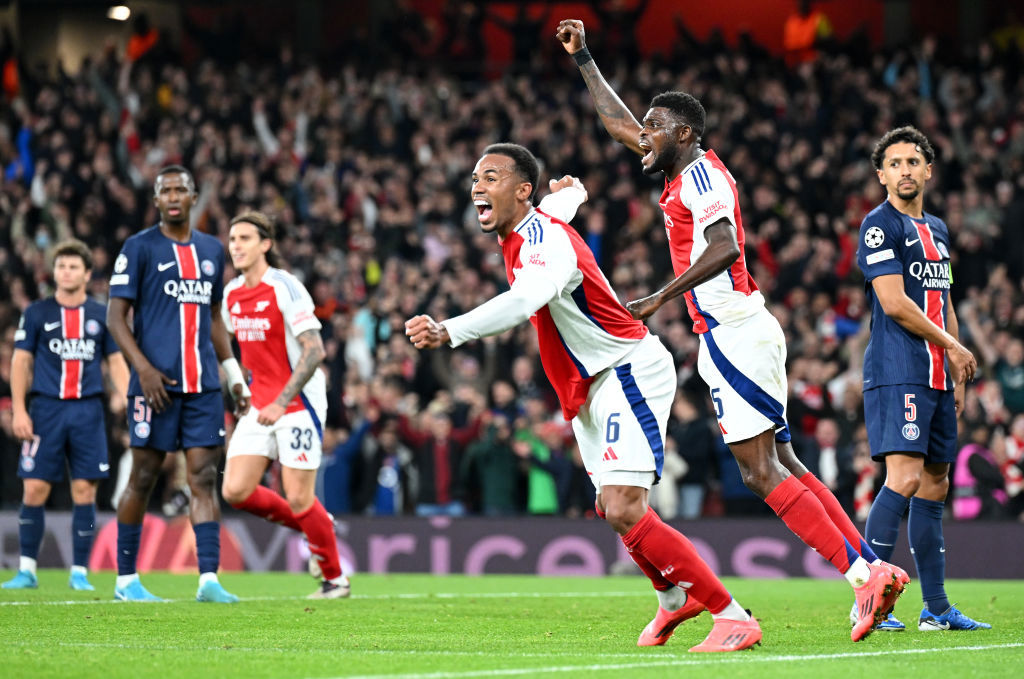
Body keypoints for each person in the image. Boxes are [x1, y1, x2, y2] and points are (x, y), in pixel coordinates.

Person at [556, 19, 906, 642]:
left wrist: (659, 298)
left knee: (757, 471)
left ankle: (861, 575)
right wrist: (585, 60)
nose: (644, 137)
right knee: (785, 461)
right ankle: (872, 569)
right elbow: (619, 126)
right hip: (741, 330)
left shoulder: (703, 177)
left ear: (686, 133)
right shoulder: (679, 168)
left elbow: (723, 245)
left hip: (733, 331)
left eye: (657, 128)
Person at [406, 143, 761, 652]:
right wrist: (572, 192)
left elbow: (527, 298)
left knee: (623, 503)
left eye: (490, 177)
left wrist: (449, 330)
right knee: (609, 507)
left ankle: (731, 616)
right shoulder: (536, 221)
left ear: (521, 190)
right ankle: (671, 600)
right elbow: (560, 204)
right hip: (588, 384)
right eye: (474, 178)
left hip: (625, 367)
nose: (477, 187)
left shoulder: (543, 241)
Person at [857, 126, 991, 631]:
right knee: (905, 479)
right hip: (898, 370)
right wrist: (954, 347)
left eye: (914, 161)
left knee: (935, 486)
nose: (905, 170)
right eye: (894, 163)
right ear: (881, 174)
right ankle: (868, 598)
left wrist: (955, 370)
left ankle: (935, 608)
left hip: (937, 375)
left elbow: (944, 300)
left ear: (928, 170)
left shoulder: (937, 229)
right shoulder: (878, 225)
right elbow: (893, 302)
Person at [107, 165, 249, 603]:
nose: (172, 196)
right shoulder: (138, 247)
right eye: (165, 190)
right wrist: (143, 370)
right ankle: (126, 580)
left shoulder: (211, 250)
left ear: (192, 198)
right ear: (156, 200)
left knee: (204, 478)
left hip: (203, 385)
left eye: (180, 190)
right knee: (145, 476)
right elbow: (115, 317)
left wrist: (234, 375)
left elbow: (212, 318)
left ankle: (208, 579)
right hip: (157, 386)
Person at [217, 211, 349, 599]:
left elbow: (314, 351)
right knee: (236, 490)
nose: (236, 245)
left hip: (298, 403)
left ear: (266, 245)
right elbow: (228, 341)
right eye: (232, 239)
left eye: (245, 238)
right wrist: (238, 383)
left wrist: (281, 402)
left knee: (297, 496)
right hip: (259, 403)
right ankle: (318, 523)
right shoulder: (231, 294)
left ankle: (334, 578)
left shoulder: (285, 286)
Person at [2, 240, 129, 591]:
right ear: (54, 272)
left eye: (73, 267)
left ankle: (79, 572)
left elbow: (116, 362)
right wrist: (19, 409)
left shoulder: (101, 314)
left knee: (85, 489)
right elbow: (21, 362)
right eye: (61, 267)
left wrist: (126, 396)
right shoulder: (38, 313)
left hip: (88, 409)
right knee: (35, 487)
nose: (66, 272)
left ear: (87, 274)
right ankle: (27, 570)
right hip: (46, 409)